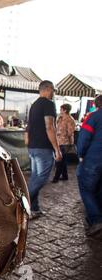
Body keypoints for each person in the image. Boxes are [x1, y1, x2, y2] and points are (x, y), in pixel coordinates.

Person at [25, 80, 62, 220]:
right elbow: (50, 127)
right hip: (43, 148)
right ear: (47, 89)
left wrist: (28, 142)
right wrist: (57, 149)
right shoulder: (48, 104)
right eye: (53, 90)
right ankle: (22, 205)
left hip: (33, 147)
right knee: (41, 178)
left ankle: (34, 208)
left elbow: (29, 127)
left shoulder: (34, 105)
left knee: (35, 177)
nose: (54, 93)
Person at [77, 95, 102, 238]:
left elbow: (84, 137)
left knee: (86, 188)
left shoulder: (93, 117)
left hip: (94, 159)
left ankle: (97, 220)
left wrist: (81, 154)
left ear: (96, 104)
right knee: (99, 189)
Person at [52, 104, 76, 183]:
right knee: (62, 160)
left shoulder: (70, 119)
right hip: (59, 142)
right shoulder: (60, 118)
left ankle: (56, 178)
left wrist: (61, 134)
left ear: (65, 110)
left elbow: (70, 133)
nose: (60, 110)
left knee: (59, 161)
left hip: (65, 142)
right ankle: (65, 176)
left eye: (61, 109)